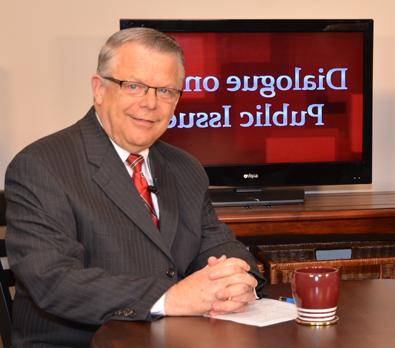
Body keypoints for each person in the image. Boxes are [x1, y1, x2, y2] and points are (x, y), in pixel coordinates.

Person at [4, 27, 263, 347]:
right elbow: (54, 282)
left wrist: (240, 280)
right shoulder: (41, 166)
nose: (150, 103)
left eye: (166, 91)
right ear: (98, 89)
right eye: (134, 86)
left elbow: (219, 247)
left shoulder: (186, 168)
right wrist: (172, 298)